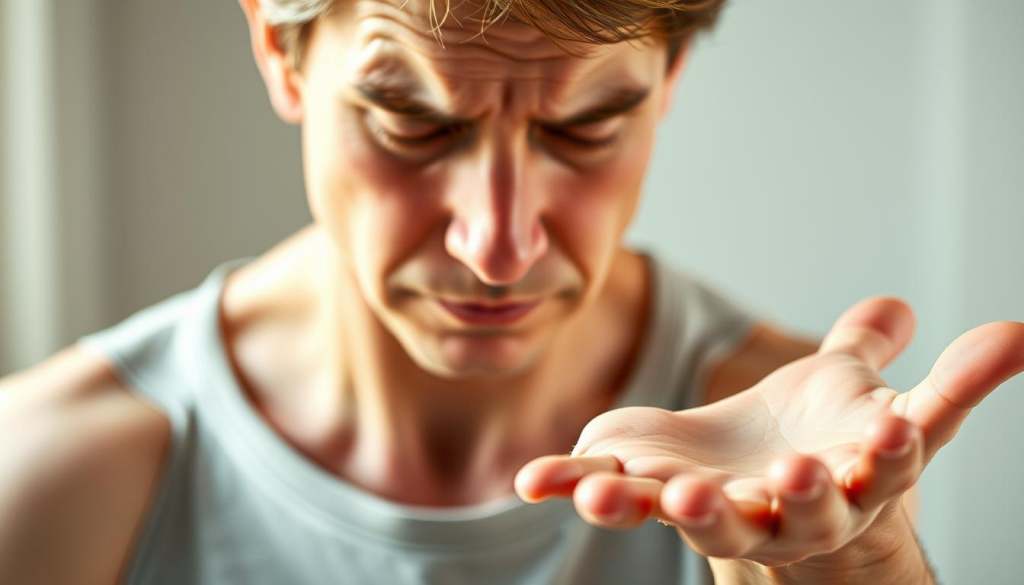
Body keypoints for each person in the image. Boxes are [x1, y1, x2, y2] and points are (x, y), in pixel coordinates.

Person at [0, 0, 1020, 582]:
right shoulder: (53, 474)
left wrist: (852, 573)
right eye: (412, 123)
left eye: (584, 129)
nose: (497, 245)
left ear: (666, 83)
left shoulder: (791, 468)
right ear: (280, 48)